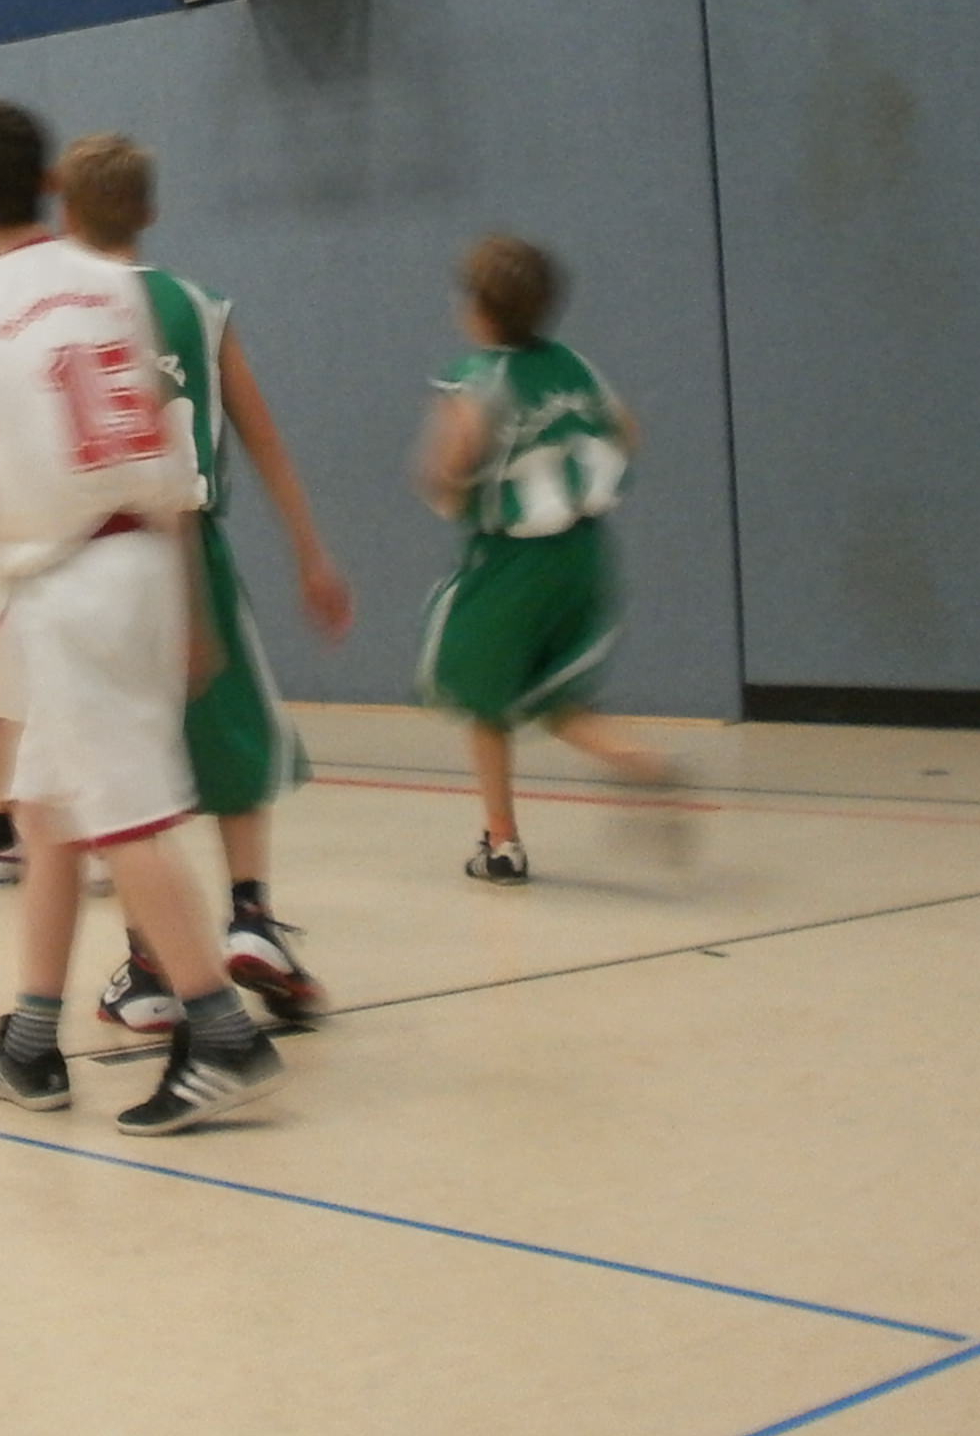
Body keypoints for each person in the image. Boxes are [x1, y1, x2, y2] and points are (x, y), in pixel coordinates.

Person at [0, 99, 287, 1135]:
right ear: (51, 185)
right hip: (147, 555)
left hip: (65, 576)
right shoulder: (119, 284)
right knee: (47, 808)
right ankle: (31, 1040)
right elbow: (161, 443)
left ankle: (224, 1034)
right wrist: (192, 607)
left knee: (123, 817)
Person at [56, 134, 353, 1040]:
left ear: (65, 212)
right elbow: (261, 437)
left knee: (128, 766)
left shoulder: (62, 312)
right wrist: (310, 551)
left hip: (98, 557)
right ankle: (251, 913)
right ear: (150, 211)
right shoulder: (198, 305)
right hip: (196, 552)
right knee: (233, 739)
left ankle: (149, 964)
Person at [415, 236, 669, 882]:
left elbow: (454, 457)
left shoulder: (478, 378)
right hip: (583, 551)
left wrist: (445, 486)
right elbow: (627, 431)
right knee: (552, 695)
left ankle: (502, 842)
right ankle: (633, 757)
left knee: (482, 695)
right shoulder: (574, 365)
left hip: (512, 560)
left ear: (478, 310)